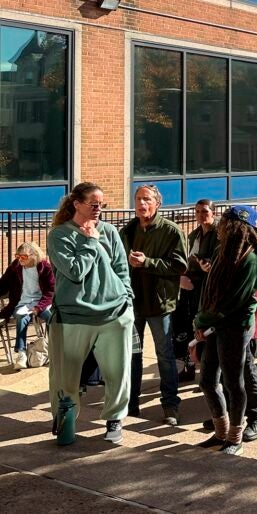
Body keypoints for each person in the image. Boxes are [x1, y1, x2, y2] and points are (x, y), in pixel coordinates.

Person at [47, 182, 134, 443]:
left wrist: (127, 300)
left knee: (117, 374)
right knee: (66, 378)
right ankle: (65, 419)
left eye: (102, 205)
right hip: (73, 317)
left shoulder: (109, 231)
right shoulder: (59, 235)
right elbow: (74, 272)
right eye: (93, 204)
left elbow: (121, 269)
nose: (99, 210)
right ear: (77, 204)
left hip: (114, 314)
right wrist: (89, 241)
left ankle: (115, 420)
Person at [194, 205, 257, 456]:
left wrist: (202, 322)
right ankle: (221, 430)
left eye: (225, 223)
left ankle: (235, 436)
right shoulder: (221, 251)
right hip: (215, 323)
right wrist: (200, 322)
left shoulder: (250, 259)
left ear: (236, 227)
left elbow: (232, 301)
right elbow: (209, 289)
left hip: (235, 327)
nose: (221, 227)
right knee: (207, 380)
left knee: (234, 382)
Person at [120, 185, 188, 425]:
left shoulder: (171, 231)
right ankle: (131, 404)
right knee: (131, 355)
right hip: (133, 303)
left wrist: (147, 262)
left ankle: (170, 405)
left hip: (160, 304)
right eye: (138, 199)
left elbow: (180, 266)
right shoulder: (127, 230)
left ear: (157, 203)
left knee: (165, 356)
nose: (141, 203)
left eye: (146, 199)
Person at [175, 199, 218, 380]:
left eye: (205, 211)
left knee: (205, 330)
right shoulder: (194, 235)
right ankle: (189, 365)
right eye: (198, 211)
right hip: (190, 288)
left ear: (213, 213)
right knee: (188, 327)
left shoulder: (218, 234)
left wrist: (205, 266)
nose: (201, 215)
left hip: (208, 289)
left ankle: (211, 372)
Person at [0, 242, 55, 370]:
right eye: (17, 256)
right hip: (23, 302)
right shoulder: (15, 267)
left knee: (51, 318)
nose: (20, 259)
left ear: (33, 255)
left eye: (23, 257)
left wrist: (39, 307)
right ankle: (21, 354)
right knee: (20, 316)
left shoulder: (45, 267)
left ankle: (54, 349)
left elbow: (51, 291)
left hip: (42, 301)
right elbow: (3, 284)